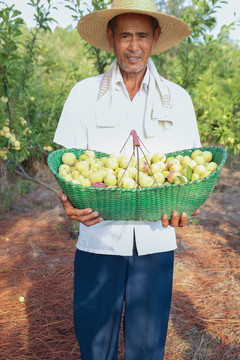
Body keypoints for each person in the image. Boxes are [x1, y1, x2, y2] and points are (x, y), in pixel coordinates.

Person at [53, 0, 201, 359]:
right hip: (98, 241)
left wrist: (185, 209)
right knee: (94, 344)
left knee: (147, 348)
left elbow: (188, 180)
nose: (133, 46)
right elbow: (68, 170)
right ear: (110, 37)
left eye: (141, 36)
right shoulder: (84, 95)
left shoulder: (178, 101)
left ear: (155, 37)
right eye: (124, 36)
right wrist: (68, 203)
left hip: (155, 244)